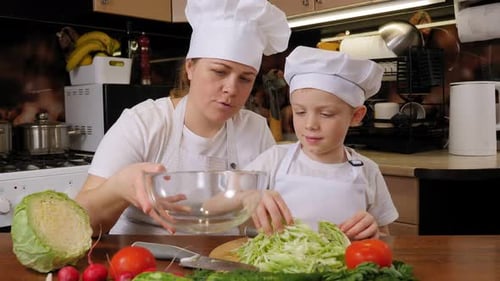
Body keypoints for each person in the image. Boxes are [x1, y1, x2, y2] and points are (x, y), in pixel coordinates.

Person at [75, 0, 291, 236]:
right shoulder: (143, 124)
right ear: (190, 68)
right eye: (219, 71)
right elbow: (80, 223)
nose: (231, 88)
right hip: (145, 263)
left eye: (245, 78)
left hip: (226, 260)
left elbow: (277, 215)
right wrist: (118, 187)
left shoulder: (256, 130)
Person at [244, 46, 399, 240]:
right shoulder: (275, 159)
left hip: (343, 269)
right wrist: (248, 197)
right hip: (280, 269)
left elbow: (386, 238)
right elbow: (223, 199)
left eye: (326, 114)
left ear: (356, 116)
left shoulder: (368, 171)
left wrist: (375, 233)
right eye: (299, 112)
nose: (310, 125)